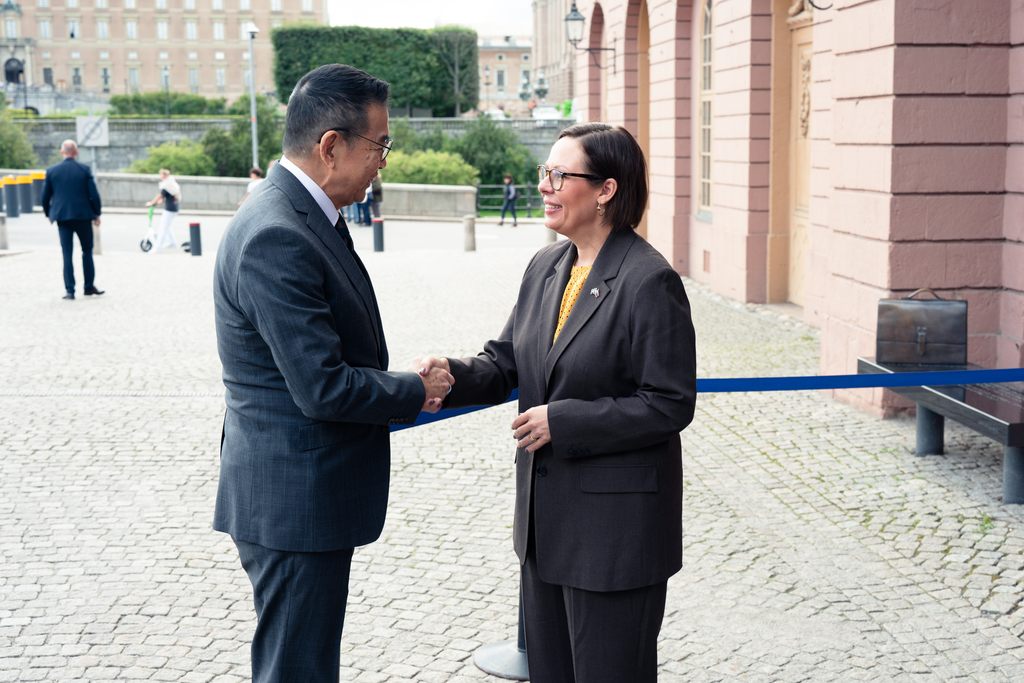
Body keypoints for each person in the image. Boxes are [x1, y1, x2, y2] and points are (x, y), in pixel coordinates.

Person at [415, 123, 697, 683]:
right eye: (545, 173)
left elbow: (669, 404)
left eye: (558, 175)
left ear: (605, 190)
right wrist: (449, 378)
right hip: (546, 532)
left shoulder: (650, 281)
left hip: (616, 538)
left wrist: (563, 421)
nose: (545, 185)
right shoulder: (546, 268)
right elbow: (505, 362)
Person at [212, 63, 453, 683]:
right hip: (293, 498)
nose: (383, 162)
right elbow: (322, 386)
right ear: (330, 146)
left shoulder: (297, 214)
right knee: (297, 669)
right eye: (380, 146)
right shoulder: (277, 233)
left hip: (297, 491)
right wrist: (414, 389)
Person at [40, 139, 104, 300]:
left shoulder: (52, 171)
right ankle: (88, 286)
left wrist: (48, 213)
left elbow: (45, 196)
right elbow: (94, 194)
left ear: (62, 152)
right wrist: (97, 213)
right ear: (76, 153)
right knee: (87, 251)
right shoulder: (84, 169)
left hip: (62, 217)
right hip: (83, 216)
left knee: (66, 253)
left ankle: (70, 290)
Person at [145, 169, 182, 253]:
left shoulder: (166, 185)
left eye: (164, 175)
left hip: (170, 209)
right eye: (162, 175)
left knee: (163, 227)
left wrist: (151, 203)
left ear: (167, 176)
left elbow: (160, 195)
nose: (162, 177)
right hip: (174, 208)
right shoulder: (172, 184)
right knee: (167, 226)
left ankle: (158, 247)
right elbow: (166, 196)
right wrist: (159, 202)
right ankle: (173, 243)